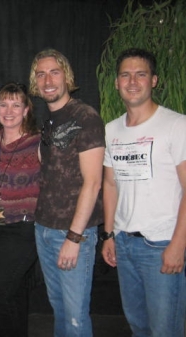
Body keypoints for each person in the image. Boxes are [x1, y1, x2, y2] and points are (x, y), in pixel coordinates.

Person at [101, 48, 186, 337]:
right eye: (125, 75)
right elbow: (110, 184)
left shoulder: (177, 125)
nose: (132, 81)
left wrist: (178, 245)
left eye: (141, 74)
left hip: (161, 245)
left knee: (166, 331)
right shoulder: (111, 130)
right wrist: (110, 234)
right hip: (124, 244)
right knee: (138, 326)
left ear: (154, 80)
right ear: (117, 83)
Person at [28, 49, 105, 337]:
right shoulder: (48, 120)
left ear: (67, 76)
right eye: (41, 73)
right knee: (59, 308)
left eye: (54, 72)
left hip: (73, 234)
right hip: (44, 228)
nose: (48, 80)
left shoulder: (85, 117)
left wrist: (74, 237)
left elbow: (94, 182)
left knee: (75, 317)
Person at [0, 82, 40, 337]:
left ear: (26, 110)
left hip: (23, 229)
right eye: (4, 104)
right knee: (14, 293)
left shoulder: (38, 142)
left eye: (16, 104)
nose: (9, 110)